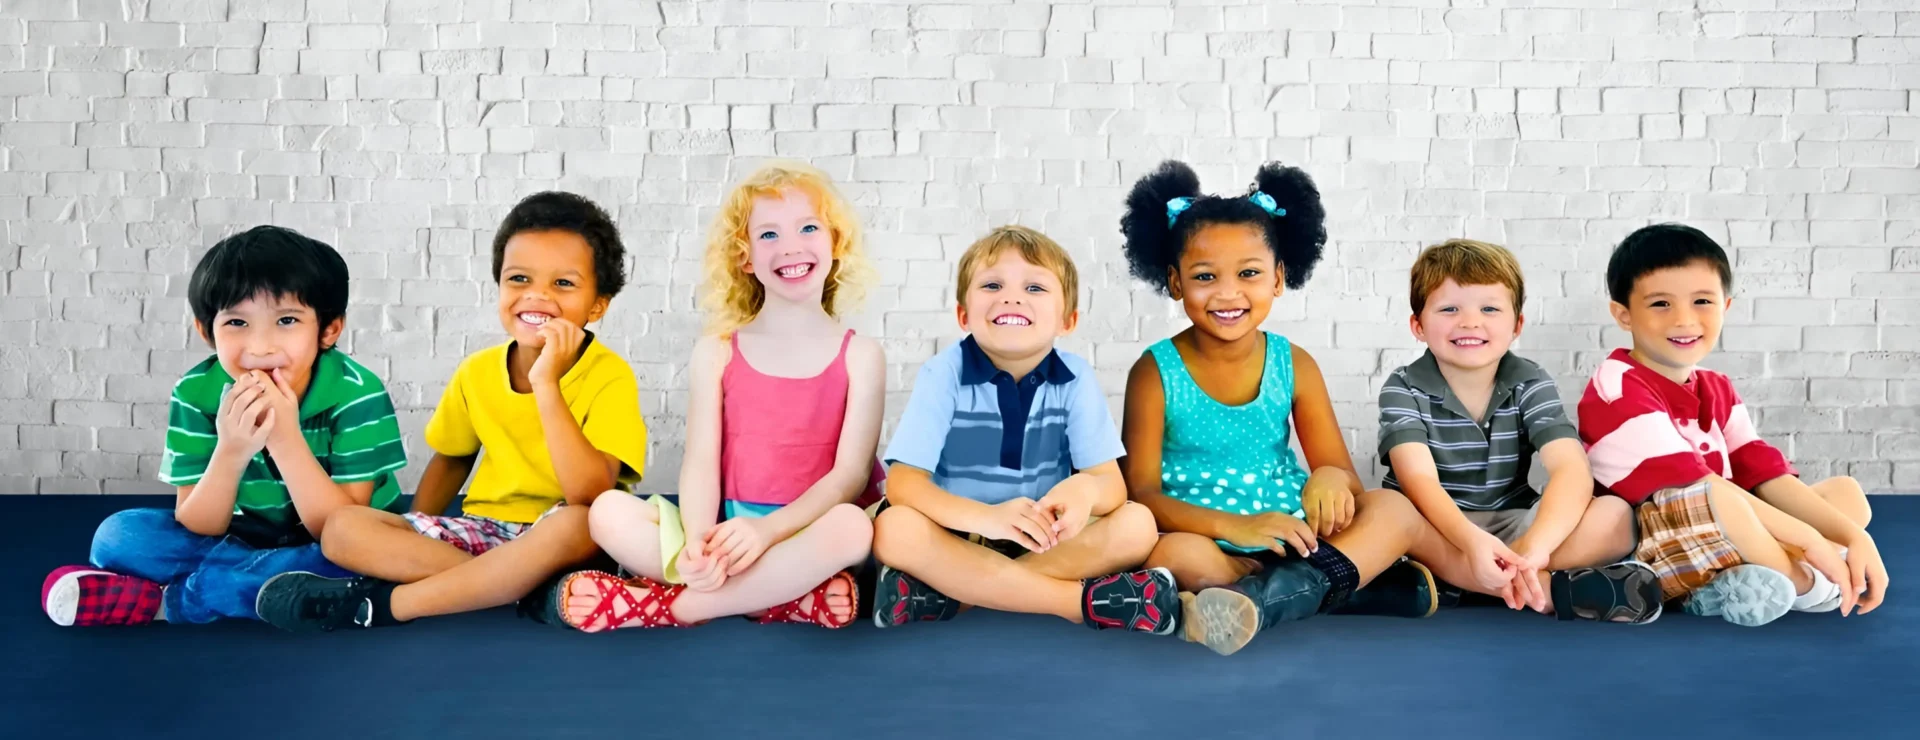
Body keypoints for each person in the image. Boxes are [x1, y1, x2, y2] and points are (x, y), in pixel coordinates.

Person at [253, 191, 650, 632]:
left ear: (597, 305)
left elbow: (590, 494)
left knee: (580, 522)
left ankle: (391, 604)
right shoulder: (477, 372)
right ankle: (514, 587)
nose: (536, 296)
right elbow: (452, 459)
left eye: (563, 284)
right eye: (519, 279)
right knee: (343, 528)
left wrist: (546, 384)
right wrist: (412, 528)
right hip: (485, 532)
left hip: (564, 536)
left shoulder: (610, 375)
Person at [544, 161, 884, 630]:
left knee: (854, 527)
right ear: (745, 257)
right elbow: (702, 461)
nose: (790, 247)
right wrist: (700, 544)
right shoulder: (717, 351)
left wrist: (765, 533)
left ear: (835, 243)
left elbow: (849, 476)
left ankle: (669, 608)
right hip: (726, 532)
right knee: (606, 512)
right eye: (768, 235)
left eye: (808, 227)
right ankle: (780, 601)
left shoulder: (861, 355)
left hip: (806, 533)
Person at [1118, 160, 1436, 656]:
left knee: (1391, 507)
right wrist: (1235, 527)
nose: (1228, 293)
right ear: (1176, 282)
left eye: (1248, 273)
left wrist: (1328, 478)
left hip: (1293, 531)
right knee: (1173, 556)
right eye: (1205, 276)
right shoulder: (1153, 372)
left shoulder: (1294, 363)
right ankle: (1334, 589)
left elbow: (1344, 478)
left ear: (1278, 278)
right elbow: (1142, 493)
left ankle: (1262, 603)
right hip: (1205, 533)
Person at [41, 226, 406, 626]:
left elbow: (340, 525)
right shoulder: (196, 393)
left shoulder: (357, 393)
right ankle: (268, 584)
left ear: (328, 330)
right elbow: (199, 522)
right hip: (240, 534)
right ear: (206, 330)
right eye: (236, 323)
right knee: (118, 537)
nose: (260, 347)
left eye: (286, 320)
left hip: (338, 540)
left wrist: (286, 440)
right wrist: (230, 451)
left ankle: (178, 600)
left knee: (363, 559)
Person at [869, 225, 1181, 637]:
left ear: (1068, 320)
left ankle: (953, 596)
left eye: (1034, 288)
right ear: (963, 314)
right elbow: (905, 486)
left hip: (1041, 539)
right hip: (956, 532)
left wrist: (1083, 492)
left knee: (1137, 524)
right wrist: (988, 519)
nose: (1011, 297)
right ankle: (1077, 603)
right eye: (992, 284)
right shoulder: (943, 373)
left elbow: (1111, 487)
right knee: (895, 529)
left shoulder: (1075, 379)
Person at [1578, 223, 1885, 626]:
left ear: (1726, 306)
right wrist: (1811, 540)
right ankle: (1805, 586)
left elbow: (1760, 471)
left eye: (1702, 301)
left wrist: (1854, 537)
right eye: (1660, 304)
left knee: (1845, 495)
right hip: (1657, 543)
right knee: (1727, 499)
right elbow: (1699, 486)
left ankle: (1737, 580)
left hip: (1729, 522)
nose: (1684, 320)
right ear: (1623, 314)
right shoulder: (1616, 386)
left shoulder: (1715, 385)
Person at [1382, 239, 1661, 624]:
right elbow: (1419, 480)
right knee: (1386, 517)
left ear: (1516, 325)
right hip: (1435, 528)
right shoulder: (1403, 386)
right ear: (1418, 325)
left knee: (1615, 515)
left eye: (1490, 309)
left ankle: (1475, 582)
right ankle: (1547, 591)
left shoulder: (1529, 380)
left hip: (1512, 523)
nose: (1470, 322)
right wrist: (1471, 542)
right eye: (1449, 309)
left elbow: (1570, 469)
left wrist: (1535, 548)